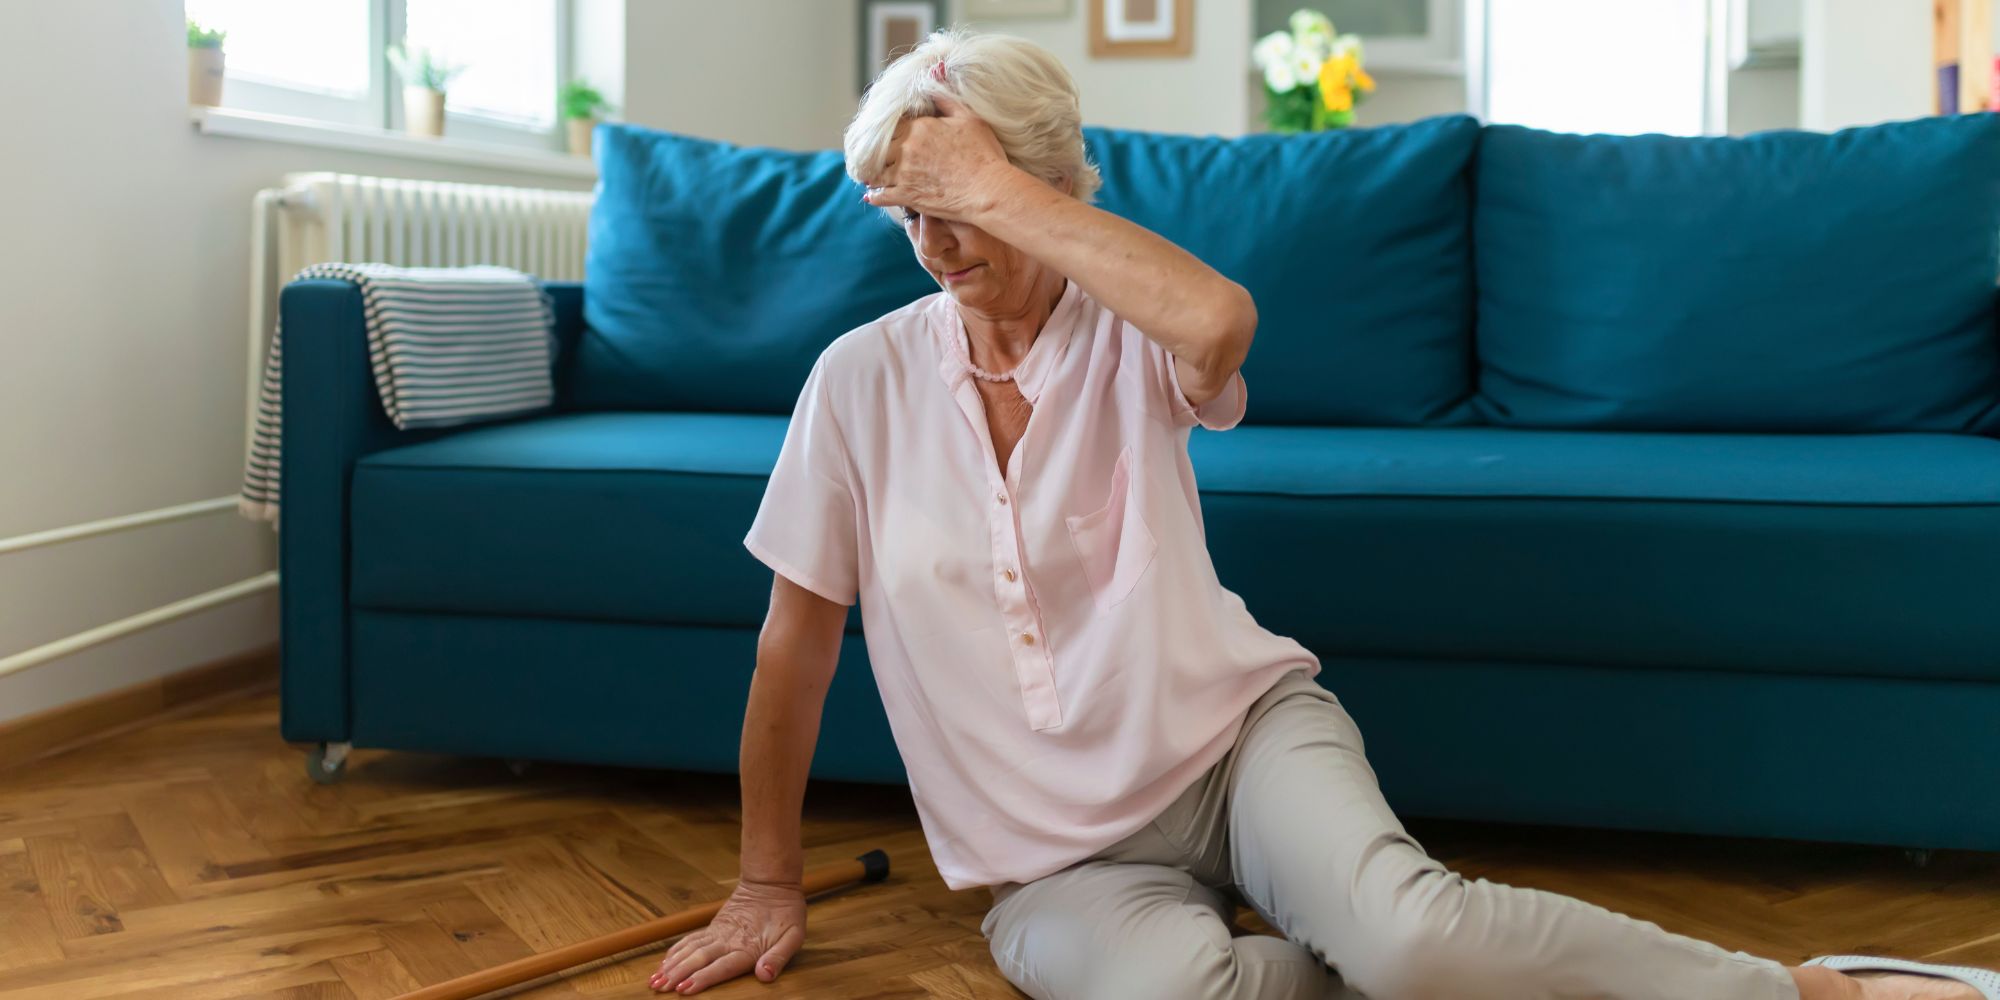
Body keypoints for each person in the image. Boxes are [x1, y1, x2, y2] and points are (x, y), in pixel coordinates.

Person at [648, 27, 1997, 1000]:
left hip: (1235, 748)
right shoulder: (860, 381)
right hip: (1053, 860)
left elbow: (1218, 319)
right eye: (906, 208)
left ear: (1047, 187)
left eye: (957, 202)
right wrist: (768, 877)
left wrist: (996, 188)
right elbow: (796, 645)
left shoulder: (1128, 328)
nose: (936, 242)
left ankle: (1819, 991)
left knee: (1413, 942)